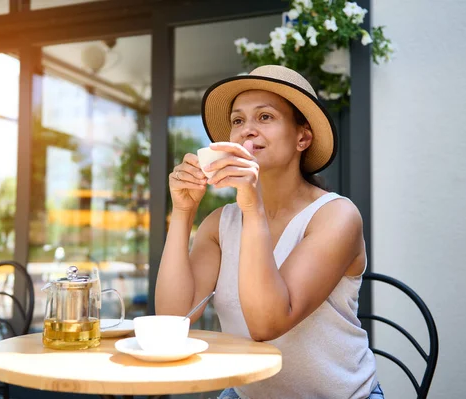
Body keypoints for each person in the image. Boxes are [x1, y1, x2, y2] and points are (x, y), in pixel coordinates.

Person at [154, 65, 382, 399]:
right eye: (237, 120)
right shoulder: (220, 223)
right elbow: (175, 317)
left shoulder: (336, 216)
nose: (247, 130)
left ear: (302, 137)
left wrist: (252, 206)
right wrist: (184, 211)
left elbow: (268, 324)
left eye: (265, 117)